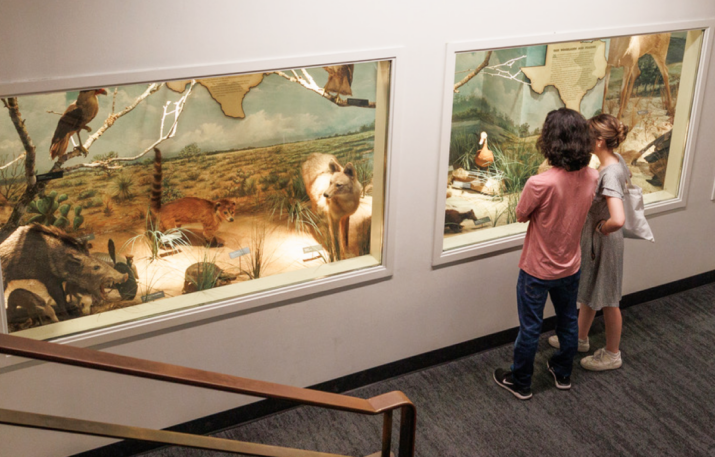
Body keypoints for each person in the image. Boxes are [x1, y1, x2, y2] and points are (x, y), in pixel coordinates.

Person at [493, 108, 598, 400]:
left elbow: (520, 215)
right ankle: (563, 373)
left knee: (530, 328)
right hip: (570, 267)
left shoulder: (540, 183)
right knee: (567, 321)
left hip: (536, 270)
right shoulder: (592, 176)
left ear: (550, 140)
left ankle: (521, 382)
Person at [548, 114, 630, 371]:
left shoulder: (610, 174)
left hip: (604, 242)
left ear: (598, 142)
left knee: (608, 298)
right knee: (592, 290)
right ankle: (580, 338)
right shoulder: (615, 162)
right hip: (598, 242)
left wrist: (601, 227)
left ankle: (613, 353)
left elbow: (618, 219)